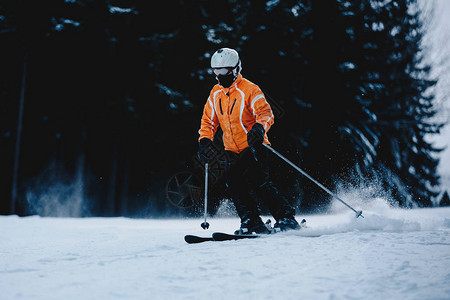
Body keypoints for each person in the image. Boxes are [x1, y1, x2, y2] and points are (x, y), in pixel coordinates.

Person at [197, 48, 300, 234]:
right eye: (216, 72)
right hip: (231, 149)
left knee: (259, 182)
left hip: (253, 145)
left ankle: (287, 218)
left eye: (224, 71)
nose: (220, 76)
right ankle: (251, 221)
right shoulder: (216, 93)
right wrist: (204, 140)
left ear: (236, 69)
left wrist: (259, 128)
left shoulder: (250, 89)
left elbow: (266, 113)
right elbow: (208, 121)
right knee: (234, 184)